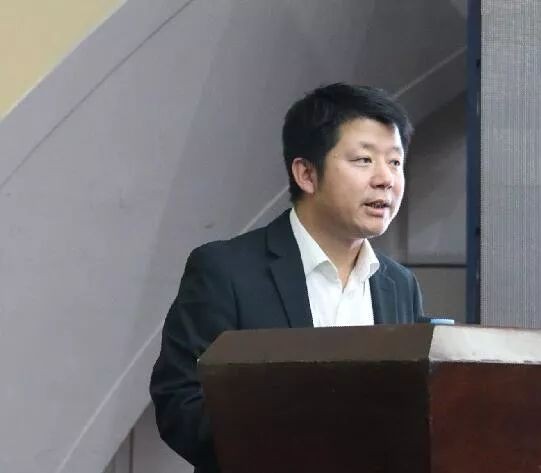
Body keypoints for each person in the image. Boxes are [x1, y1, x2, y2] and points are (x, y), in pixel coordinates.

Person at [149, 83, 425, 472]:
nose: (386, 179)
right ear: (306, 174)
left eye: (395, 162)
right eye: (364, 160)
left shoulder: (399, 285)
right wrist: (301, 442)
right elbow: (181, 402)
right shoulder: (226, 271)